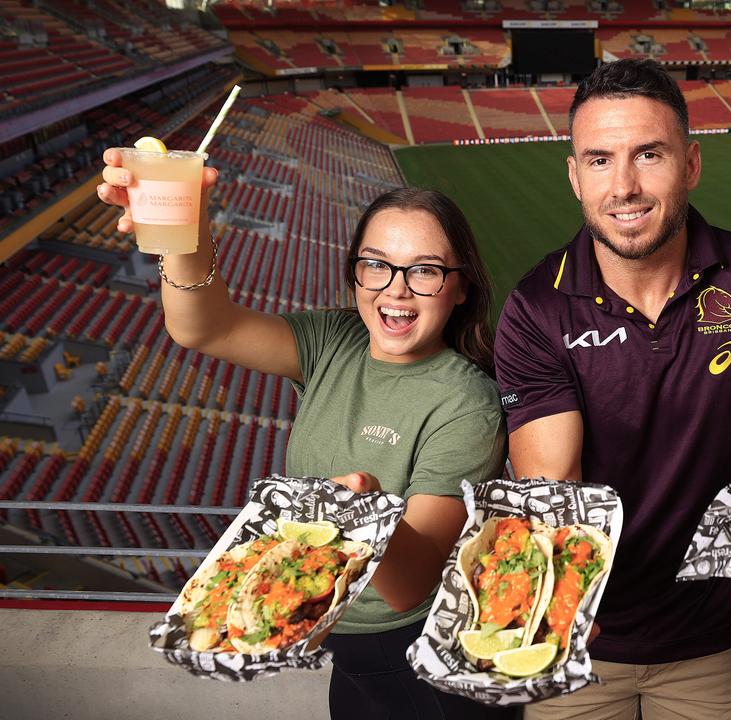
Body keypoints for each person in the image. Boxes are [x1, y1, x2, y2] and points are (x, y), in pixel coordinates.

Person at [493, 58, 731, 720]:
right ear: (574, 176)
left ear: (690, 164)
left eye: (648, 155)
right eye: (599, 160)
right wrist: (561, 603)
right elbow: (552, 481)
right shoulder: (537, 309)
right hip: (584, 644)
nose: (624, 185)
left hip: (714, 640)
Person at [96, 162, 512, 720]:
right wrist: (181, 229)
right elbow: (202, 327)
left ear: (460, 286)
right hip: (339, 641)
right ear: (354, 273)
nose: (397, 290)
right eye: (377, 266)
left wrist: (361, 514)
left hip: (417, 657)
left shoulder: (469, 402)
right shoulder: (334, 341)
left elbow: (409, 588)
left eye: (425, 271)